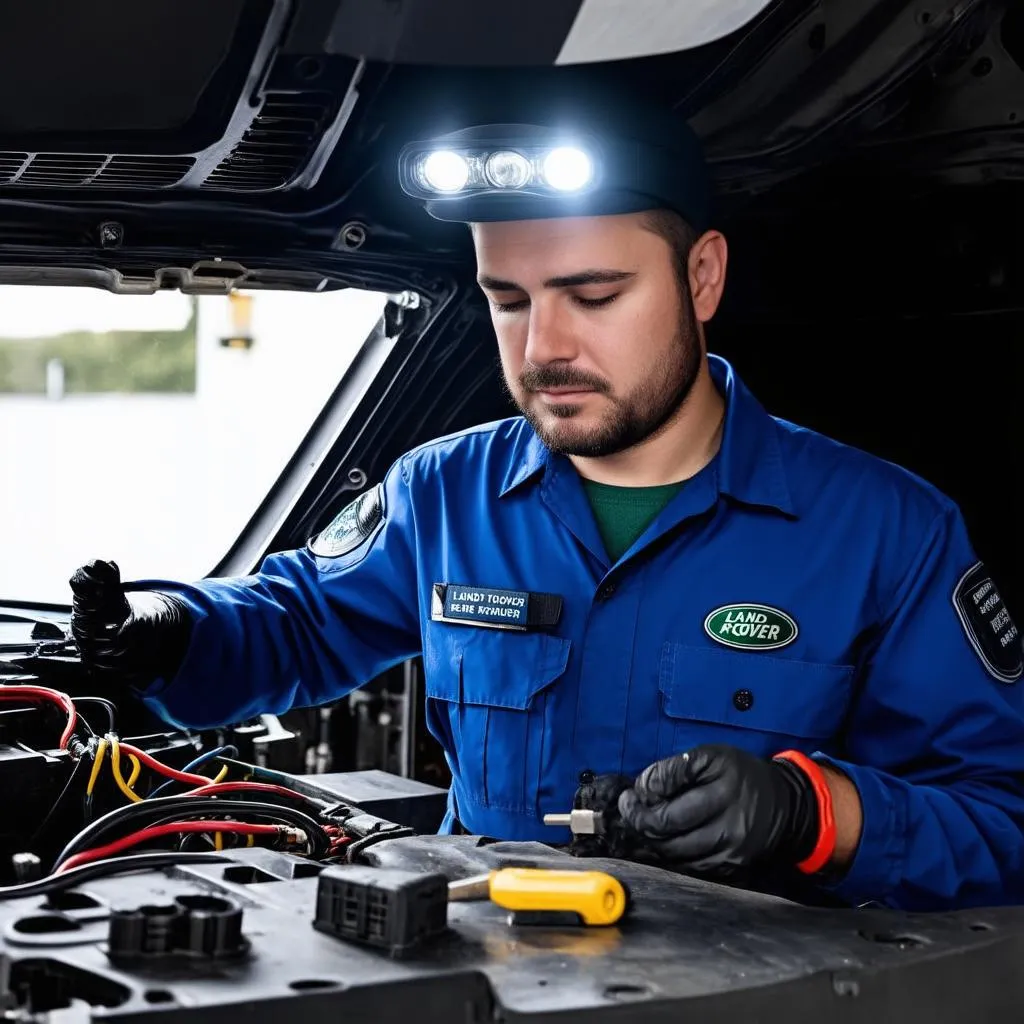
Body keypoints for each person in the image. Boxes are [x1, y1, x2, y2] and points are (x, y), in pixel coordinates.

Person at [69, 87, 1024, 913]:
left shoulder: (887, 533)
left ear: (701, 278)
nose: (541, 351)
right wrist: (169, 627)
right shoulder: (444, 492)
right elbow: (296, 623)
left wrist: (812, 814)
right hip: (474, 976)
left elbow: (1003, 825)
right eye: (510, 299)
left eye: (594, 295)